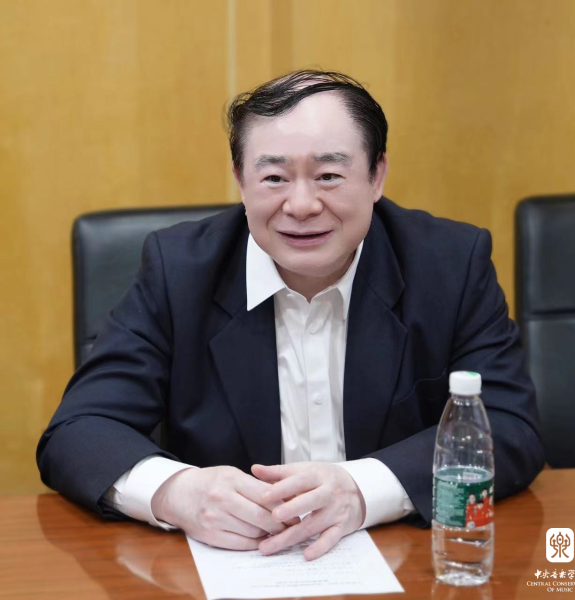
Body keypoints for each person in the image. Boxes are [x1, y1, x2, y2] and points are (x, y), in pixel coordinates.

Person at [37, 70, 544, 561]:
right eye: (274, 177)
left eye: (329, 176)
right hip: (227, 568)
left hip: (404, 563)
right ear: (241, 180)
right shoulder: (179, 272)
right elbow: (80, 430)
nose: (301, 205)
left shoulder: (449, 265)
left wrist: (362, 489)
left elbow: (508, 426)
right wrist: (177, 491)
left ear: (377, 176)